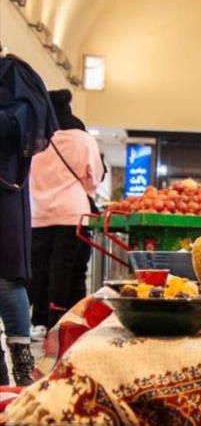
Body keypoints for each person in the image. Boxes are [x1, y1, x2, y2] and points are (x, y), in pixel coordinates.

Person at [0, 45, 57, 385]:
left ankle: (22, 371)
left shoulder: (11, 72)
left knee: (6, 279)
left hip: (3, 193)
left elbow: (25, 122)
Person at [29, 89, 104, 332]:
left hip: (38, 213)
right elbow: (95, 176)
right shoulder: (82, 139)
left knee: (39, 268)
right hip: (72, 213)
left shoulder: (35, 138)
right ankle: (64, 321)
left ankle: (39, 320)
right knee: (69, 268)